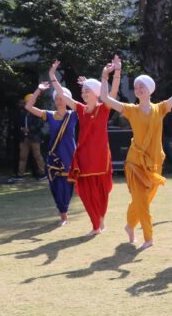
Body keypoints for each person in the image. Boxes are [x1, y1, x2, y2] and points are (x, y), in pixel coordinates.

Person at [100, 55, 172, 251]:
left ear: (150, 90)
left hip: (154, 163)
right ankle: (148, 238)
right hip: (135, 162)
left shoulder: (160, 109)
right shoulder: (131, 110)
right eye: (136, 87)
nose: (139, 89)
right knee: (142, 201)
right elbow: (106, 99)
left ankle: (129, 225)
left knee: (142, 200)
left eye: (142, 86)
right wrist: (110, 75)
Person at [49, 58, 120, 235]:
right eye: (83, 91)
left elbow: (113, 91)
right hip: (84, 158)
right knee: (86, 193)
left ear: (96, 93)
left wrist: (115, 73)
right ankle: (95, 225)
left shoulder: (104, 108)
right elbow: (64, 95)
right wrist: (52, 75)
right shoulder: (80, 109)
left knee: (101, 192)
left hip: (101, 158)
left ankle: (100, 220)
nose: (83, 93)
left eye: (87, 90)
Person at [25, 80, 77, 225]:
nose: (59, 101)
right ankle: (62, 213)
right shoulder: (48, 115)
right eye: (57, 99)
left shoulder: (74, 115)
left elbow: (91, 109)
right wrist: (38, 90)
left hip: (69, 155)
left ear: (67, 99)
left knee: (67, 185)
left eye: (62, 98)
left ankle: (64, 214)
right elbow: (29, 106)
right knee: (55, 185)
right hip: (54, 156)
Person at [14, 94, 47, 180]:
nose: (26, 103)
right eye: (26, 101)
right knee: (22, 156)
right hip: (24, 138)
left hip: (34, 137)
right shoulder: (23, 112)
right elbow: (19, 123)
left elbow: (40, 124)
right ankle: (20, 174)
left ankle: (43, 173)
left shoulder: (37, 111)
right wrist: (22, 129)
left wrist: (30, 129)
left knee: (37, 155)